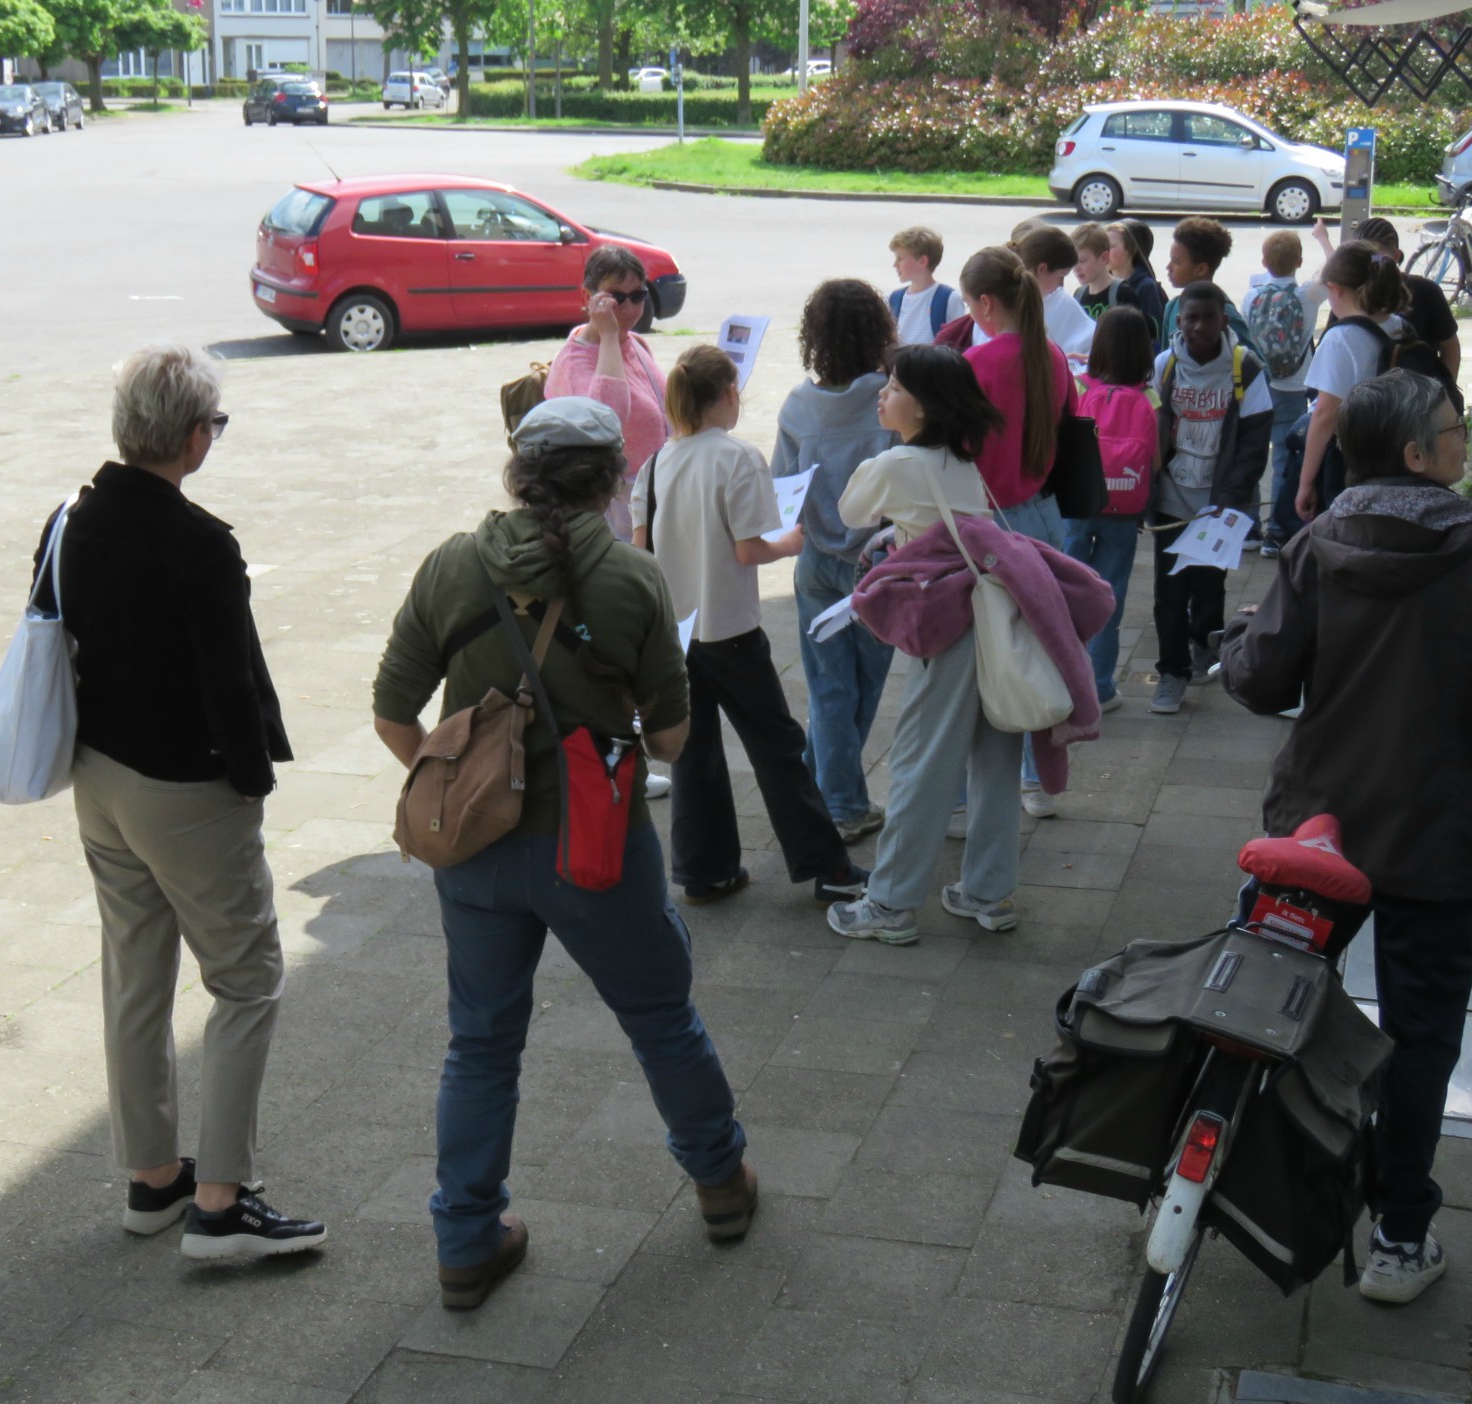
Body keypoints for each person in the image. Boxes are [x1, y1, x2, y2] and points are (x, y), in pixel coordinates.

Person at [373, 396, 756, 1311]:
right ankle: (720, 1189)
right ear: (614, 479)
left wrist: (462, 780)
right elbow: (669, 742)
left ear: (516, 469)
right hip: (597, 845)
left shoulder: (451, 564)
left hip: (476, 853)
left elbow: (393, 712)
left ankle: (466, 1241)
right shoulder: (632, 578)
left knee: (480, 1045)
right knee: (662, 1017)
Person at [1221, 370, 1472, 1306]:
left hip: (1318, 833)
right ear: (1419, 454)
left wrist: (1238, 642)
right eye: (1457, 431)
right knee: (1420, 1039)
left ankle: (1225, 1180)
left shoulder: (1320, 543)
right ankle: (1398, 1238)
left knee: (1268, 1001)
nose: (1465, 444)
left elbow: (1258, 680)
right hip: (1435, 843)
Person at [45, 343, 324, 1260]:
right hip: (184, 787)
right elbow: (229, 685)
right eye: (216, 422)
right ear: (193, 436)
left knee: (134, 976)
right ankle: (221, 1203)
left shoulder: (74, 519)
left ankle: (152, 1179)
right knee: (247, 981)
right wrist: (252, 782)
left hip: (100, 776)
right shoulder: (201, 543)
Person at [632, 347, 870, 905]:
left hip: (676, 632)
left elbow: (640, 550)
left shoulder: (656, 463)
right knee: (777, 746)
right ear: (727, 395)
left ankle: (702, 869)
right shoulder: (738, 457)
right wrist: (788, 543)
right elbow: (746, 549)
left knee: (694, 750)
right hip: (730, 626)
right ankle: (825, 866)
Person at [830, 345, 1017, 943]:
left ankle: (890, 904)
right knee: (994, 759)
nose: (881, 394)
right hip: (998, 615)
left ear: (925, 405)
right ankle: (987, 892)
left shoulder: (897, 462)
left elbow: (847, 510)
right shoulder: (960, 460)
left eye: (893, 386)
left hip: (950, 626)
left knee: (919, 759)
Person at [771, 279, 900, 842]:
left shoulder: (800, 404)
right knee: (863, 688)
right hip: (879, 562)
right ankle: (843, 803)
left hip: (817, 559)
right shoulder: (891, 398)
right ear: (879, 331)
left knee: (829, 688)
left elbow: (781, 487)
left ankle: (821, 791)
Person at [957, 244, 1075, 821]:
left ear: (984, 304)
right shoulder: (1050, 355)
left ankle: (959, 798)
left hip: (990, 525)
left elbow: (951, 449)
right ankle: (1036, 779)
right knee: (1041, 648)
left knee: (982, 657)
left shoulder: (976, 366)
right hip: (1044, 514)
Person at [1146, 283, 1269, 716]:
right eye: (1189, 318)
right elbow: (1150, 430)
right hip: (1171, 500)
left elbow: (1256, 442)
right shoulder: (1164, 366)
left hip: (1219, 504)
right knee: (1169, 592)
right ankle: (1171, 673)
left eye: (1208, 318)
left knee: (1209, 584)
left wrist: (1231, 499)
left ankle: (1204, 643)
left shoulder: (1245, 369)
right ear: (1178, 321)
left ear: (1224, 320)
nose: (1198, 327)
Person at [1060, 309, 1158, 713]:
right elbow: (1154, 461)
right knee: (1110, 593)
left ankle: (1064, 680)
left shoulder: (1079, 386)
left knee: (1066, 592)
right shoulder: (1150, 397)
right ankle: (1100, 686)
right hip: (1124, 508)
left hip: (1078, 503)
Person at [544, 244, 669, 541]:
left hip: (656, 498)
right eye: (616, 297)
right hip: (618, 515)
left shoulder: (636, 342)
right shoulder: (575, 362)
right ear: (588, 297)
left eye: (638, 295)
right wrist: (609, 335)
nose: (629, 308)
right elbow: (607, 419)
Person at [1293, 241, 1409, 522]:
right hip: (1392, 453)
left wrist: (1305, 482)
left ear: (1335, 289)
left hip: (1349, 462)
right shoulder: (1399, 327)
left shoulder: (1340, 338)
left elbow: (1325, 415)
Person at [1244, 230, 1327, 556]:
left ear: (1264, 262)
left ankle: (1248, 529)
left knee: (1251, 457)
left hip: (1258, 385)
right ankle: (1276, 533)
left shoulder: (1251, 296)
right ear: (1299, 261)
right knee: (1283, 460)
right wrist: (1322, 237)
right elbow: (1333, 269)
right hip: (1293, 388)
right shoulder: (1307, 295)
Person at [1314, 216, 1462, 380]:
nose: (1375, 268)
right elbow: (1450, 347)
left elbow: (1450, 347)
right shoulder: (1350, 297)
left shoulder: (1426, 291)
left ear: (1396, 257)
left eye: (1377, 260)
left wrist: (1447, 389)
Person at [1017, 226, 1096, 359]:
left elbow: (1092, 341)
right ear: (1042, 269)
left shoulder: (1059, 300)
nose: (1061, 285)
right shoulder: (1003, 305)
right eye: (1061, 277)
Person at [886, 225, 957, 345]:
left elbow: (958, 344)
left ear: (922, 261)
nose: (895, 264)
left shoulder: (949, 299)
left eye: (900, 258)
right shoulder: (893, 299)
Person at [1107, 220, 1167, 338]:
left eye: (1111, 247)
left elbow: (1155, 333)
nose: (1104, 252)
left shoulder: (1146, 286)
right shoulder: (1100, 283)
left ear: (1131, 249)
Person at [1072, 222, 1128, 323]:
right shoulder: (1078, 295)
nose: (1076, 268)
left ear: (1104, 257)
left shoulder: (1122, 293)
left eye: (1082, 261)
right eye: (1073, 261)